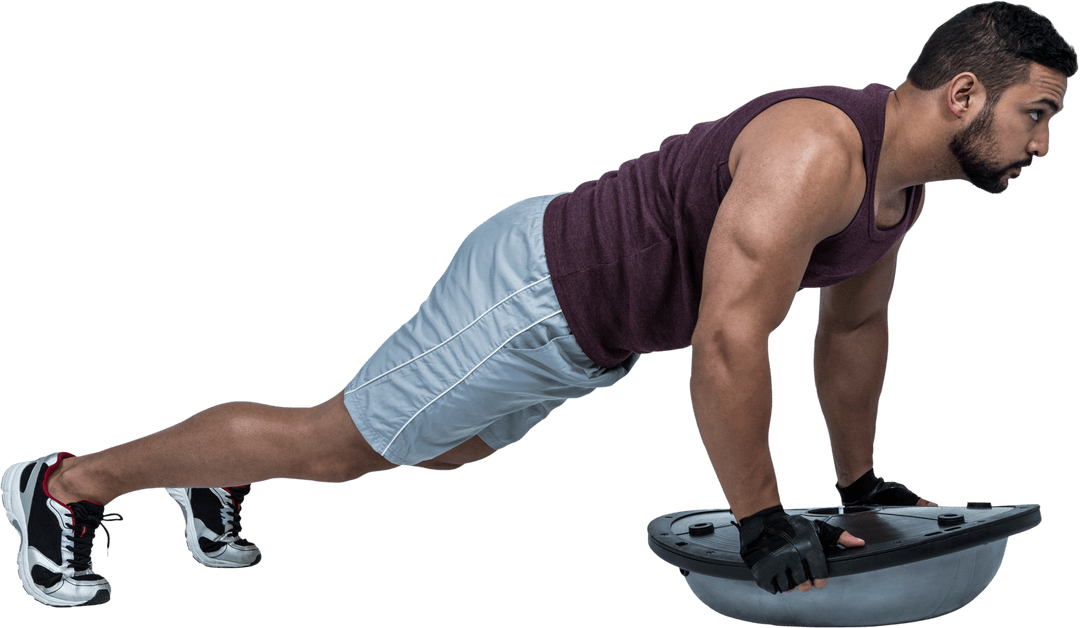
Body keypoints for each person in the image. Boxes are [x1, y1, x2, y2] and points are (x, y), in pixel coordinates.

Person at [2, 1, 1074, 607]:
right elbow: (728, 344)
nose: (1040, 144)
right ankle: (65, 483)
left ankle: (221, 471)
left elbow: (854, 331)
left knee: (437, 449)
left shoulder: (895, 197)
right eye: (1036, 113)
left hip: (583, 326)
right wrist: (758, 521)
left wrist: (857, 483)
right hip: (537, 296)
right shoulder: (814, 152)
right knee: (335, 443)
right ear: (964, 93)